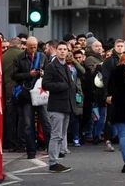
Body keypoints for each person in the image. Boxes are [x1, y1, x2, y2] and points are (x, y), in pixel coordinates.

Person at [12, 36, 50, 159]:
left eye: (34, 47)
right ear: (26, 46)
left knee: (46, 121)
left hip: (40, 93)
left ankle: (50, 148)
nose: (32, 50)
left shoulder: (42, 57)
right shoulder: (19, 58)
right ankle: (31, 151)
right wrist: (29, 74)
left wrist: (44, 73)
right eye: (30, 47)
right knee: (28, 124)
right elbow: (14, 76)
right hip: (27, 94)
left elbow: (50, 71)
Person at [42, 41, 77, 173]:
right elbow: (45, 84)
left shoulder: (66, 67)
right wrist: (62, 86)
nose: (63, 51)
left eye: (65, 49)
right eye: (60, 49)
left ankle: (56, 160)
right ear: (56, 51)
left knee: (61, 135)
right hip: (56, 105)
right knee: (56, 135)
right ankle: (53, 163)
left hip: (66, 105)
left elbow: (70, 84)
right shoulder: (52, 66)